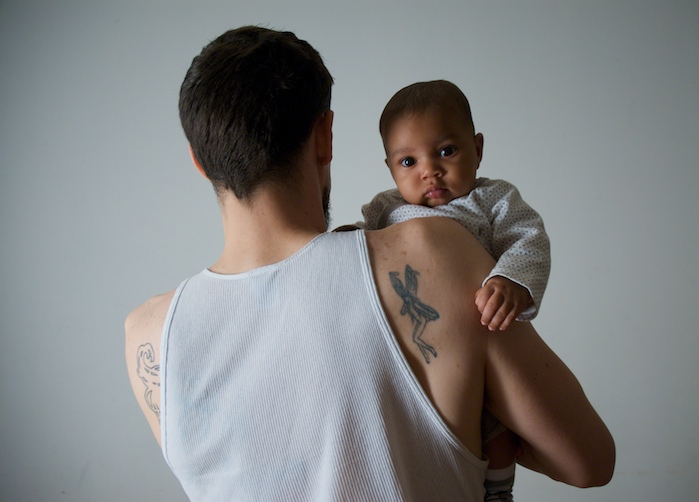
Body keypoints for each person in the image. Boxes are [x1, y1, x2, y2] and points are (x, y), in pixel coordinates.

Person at [125, 25, 615, 501]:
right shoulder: (432, 251)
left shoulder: (147, 335)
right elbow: (588, 461)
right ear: (325, 136)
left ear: (198, 160)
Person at [357, 80, 551, 500]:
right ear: (390, 168)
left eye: (446, 151)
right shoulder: (385, 210)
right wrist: (345, 241)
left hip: (480, 341)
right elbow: (363, 244)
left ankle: (499, 493)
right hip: (416, 351)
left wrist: (511, 280)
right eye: (408, 161)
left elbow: (527, 239)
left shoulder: (493, 200)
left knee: (496, 429)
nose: (429, 170)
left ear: (477, 148)